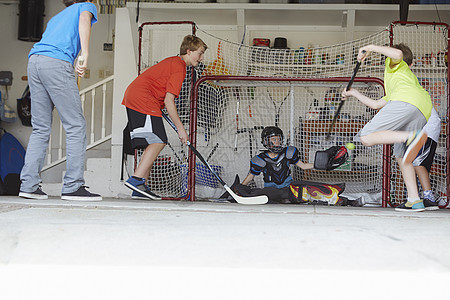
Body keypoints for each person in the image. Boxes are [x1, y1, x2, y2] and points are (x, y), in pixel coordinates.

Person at [19, 0, 102, 201]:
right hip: (56, 63)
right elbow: (84, 19)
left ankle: (28, 185)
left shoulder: (58, 17)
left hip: (35, 61)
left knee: (40, 127)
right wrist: (85, 53)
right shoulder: (87, 6)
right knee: (76, 125)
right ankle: (73, 186)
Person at [342, 43, 432, 212]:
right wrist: (353, 93)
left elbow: (397, 54)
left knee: (366, 136)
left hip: (406, 102)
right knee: (402, 156)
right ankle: (414, 200)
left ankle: (410, 137)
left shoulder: (395, 65)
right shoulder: (402, 81)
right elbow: (376, 104)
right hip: (421, 108)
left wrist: (369, 47)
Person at [122, 35, 207, 199]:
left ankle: (139, 188)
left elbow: (155, 83)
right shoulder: (179, 67)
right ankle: (136, 180)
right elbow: (169, 101)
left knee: (152, 142)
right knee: (159, 140)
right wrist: (181, 129)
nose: (202, 58)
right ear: (189, 51)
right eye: (200, 53)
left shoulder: (173, 62)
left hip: (142, 98)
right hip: (143, 99)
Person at [232, 126, 364, 206]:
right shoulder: (260, 159)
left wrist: (324, 165)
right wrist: (240, 189)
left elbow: (304, 166)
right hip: (272, 191)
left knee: (307, 187)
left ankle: (346, 200)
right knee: (270, 192)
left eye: (278, 139)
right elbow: (250, 177)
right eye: (273, 139)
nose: (276, 142)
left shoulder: (289, 152)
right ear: (266, 141)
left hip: (290, 187)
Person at [413, 106, 441, 210]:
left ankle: (429, 199)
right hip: (423, 130)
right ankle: (415, 197)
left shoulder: (409, 94)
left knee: (418, 163)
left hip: (426, 130)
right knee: (415, 164)